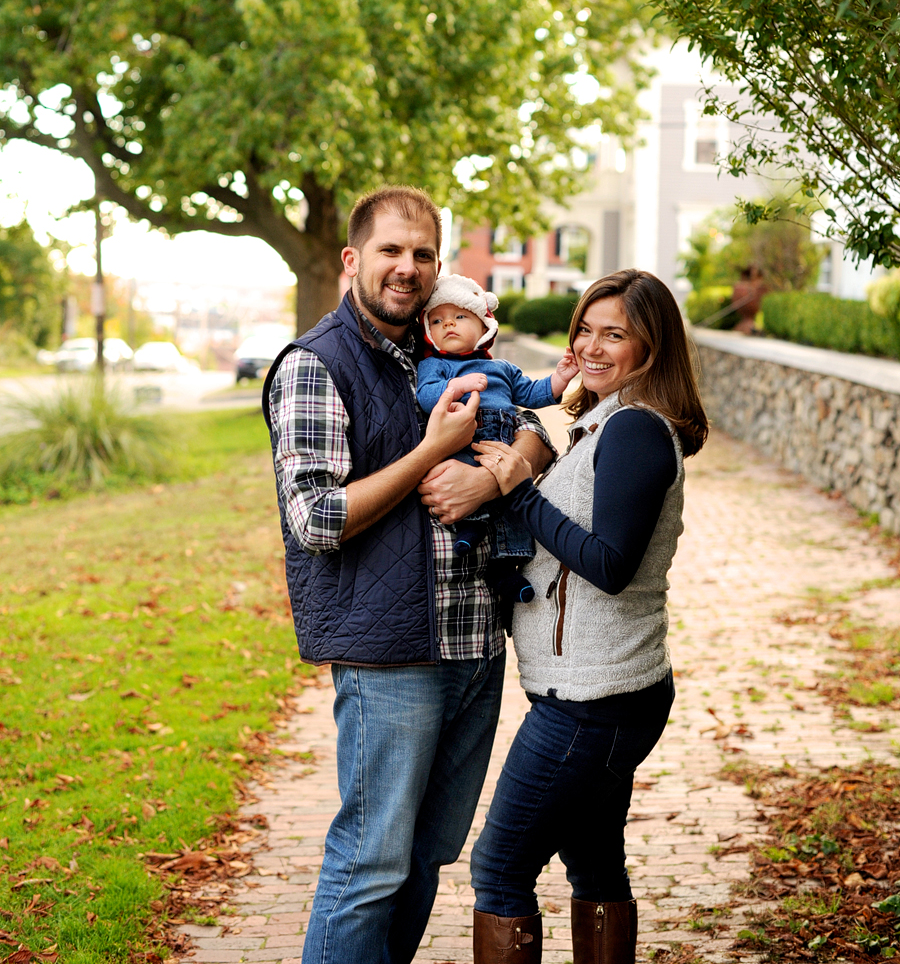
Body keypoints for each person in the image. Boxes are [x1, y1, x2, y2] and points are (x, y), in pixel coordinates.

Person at [261, 185, 554, 964]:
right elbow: (316, 519)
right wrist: (430, 454)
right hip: (389, 656)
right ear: (354, 259)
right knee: (370, 863)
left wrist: (495, 477)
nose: (408, 267)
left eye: (423, 253)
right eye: (391, 250)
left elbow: (534, 435)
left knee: (426, 856)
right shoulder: (316, 364)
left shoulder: (446, 348)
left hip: (472, 647)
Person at [462, 268, 709, 964]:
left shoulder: (633, 428)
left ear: (651, 346)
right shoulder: (608, 422)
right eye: (586, 329)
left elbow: (608, 562)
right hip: (606, 695)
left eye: (615, 333)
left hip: (591, 706)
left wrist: (519, 489)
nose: (593, 346)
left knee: (501, 867)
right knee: (595, 865)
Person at [417, 273, 578, 606]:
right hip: (464, 444)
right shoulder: (434, 366)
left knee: (513, 507)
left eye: (459, 316)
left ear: (484, 325)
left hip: (502, 446)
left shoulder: (503, 368)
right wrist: (457, 388)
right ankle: (470, 528)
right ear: (429, 332)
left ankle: (506, 569)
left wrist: (560, 378)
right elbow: (426, 397)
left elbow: (532, 394)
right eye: (438, 320)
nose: (448, 324)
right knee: (460, 482)